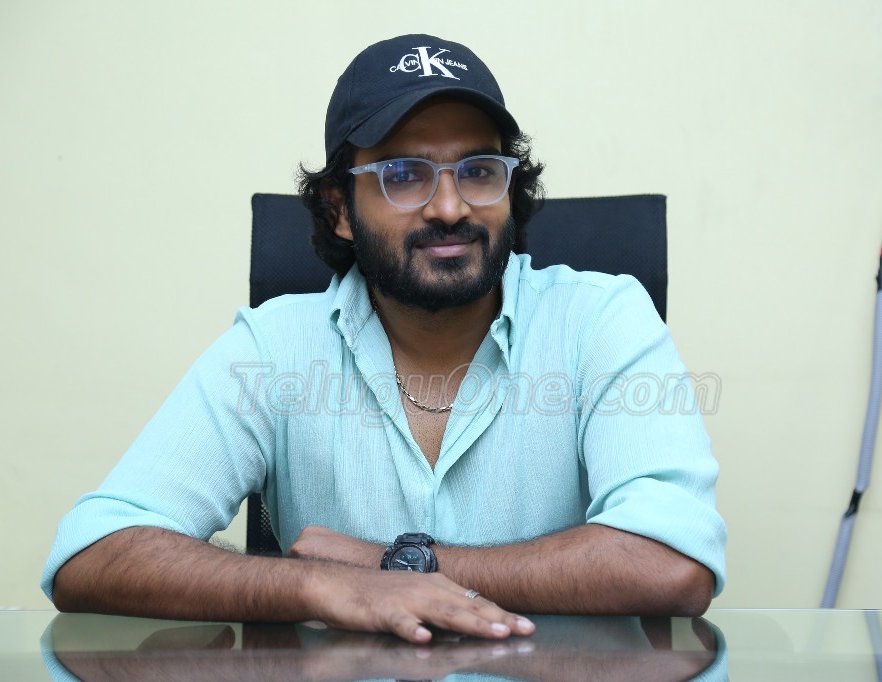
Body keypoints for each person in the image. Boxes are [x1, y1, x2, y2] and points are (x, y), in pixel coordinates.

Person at [42, 34, 727, 644]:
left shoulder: (602, 319)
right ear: (340, 208)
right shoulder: (274, 348)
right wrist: (315, 586)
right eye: (402, 175)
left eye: (478, 170)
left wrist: (391, 565)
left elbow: (673, 562)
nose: (450, 207)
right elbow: (91, 553)